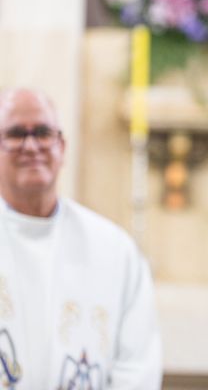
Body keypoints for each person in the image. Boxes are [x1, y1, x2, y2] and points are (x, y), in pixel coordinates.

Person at [0, 88, 162, 388]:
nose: (31, 145)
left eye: (43, 132)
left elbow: (137, 363)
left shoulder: (113, 248)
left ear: (61, 146)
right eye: (16, 133)